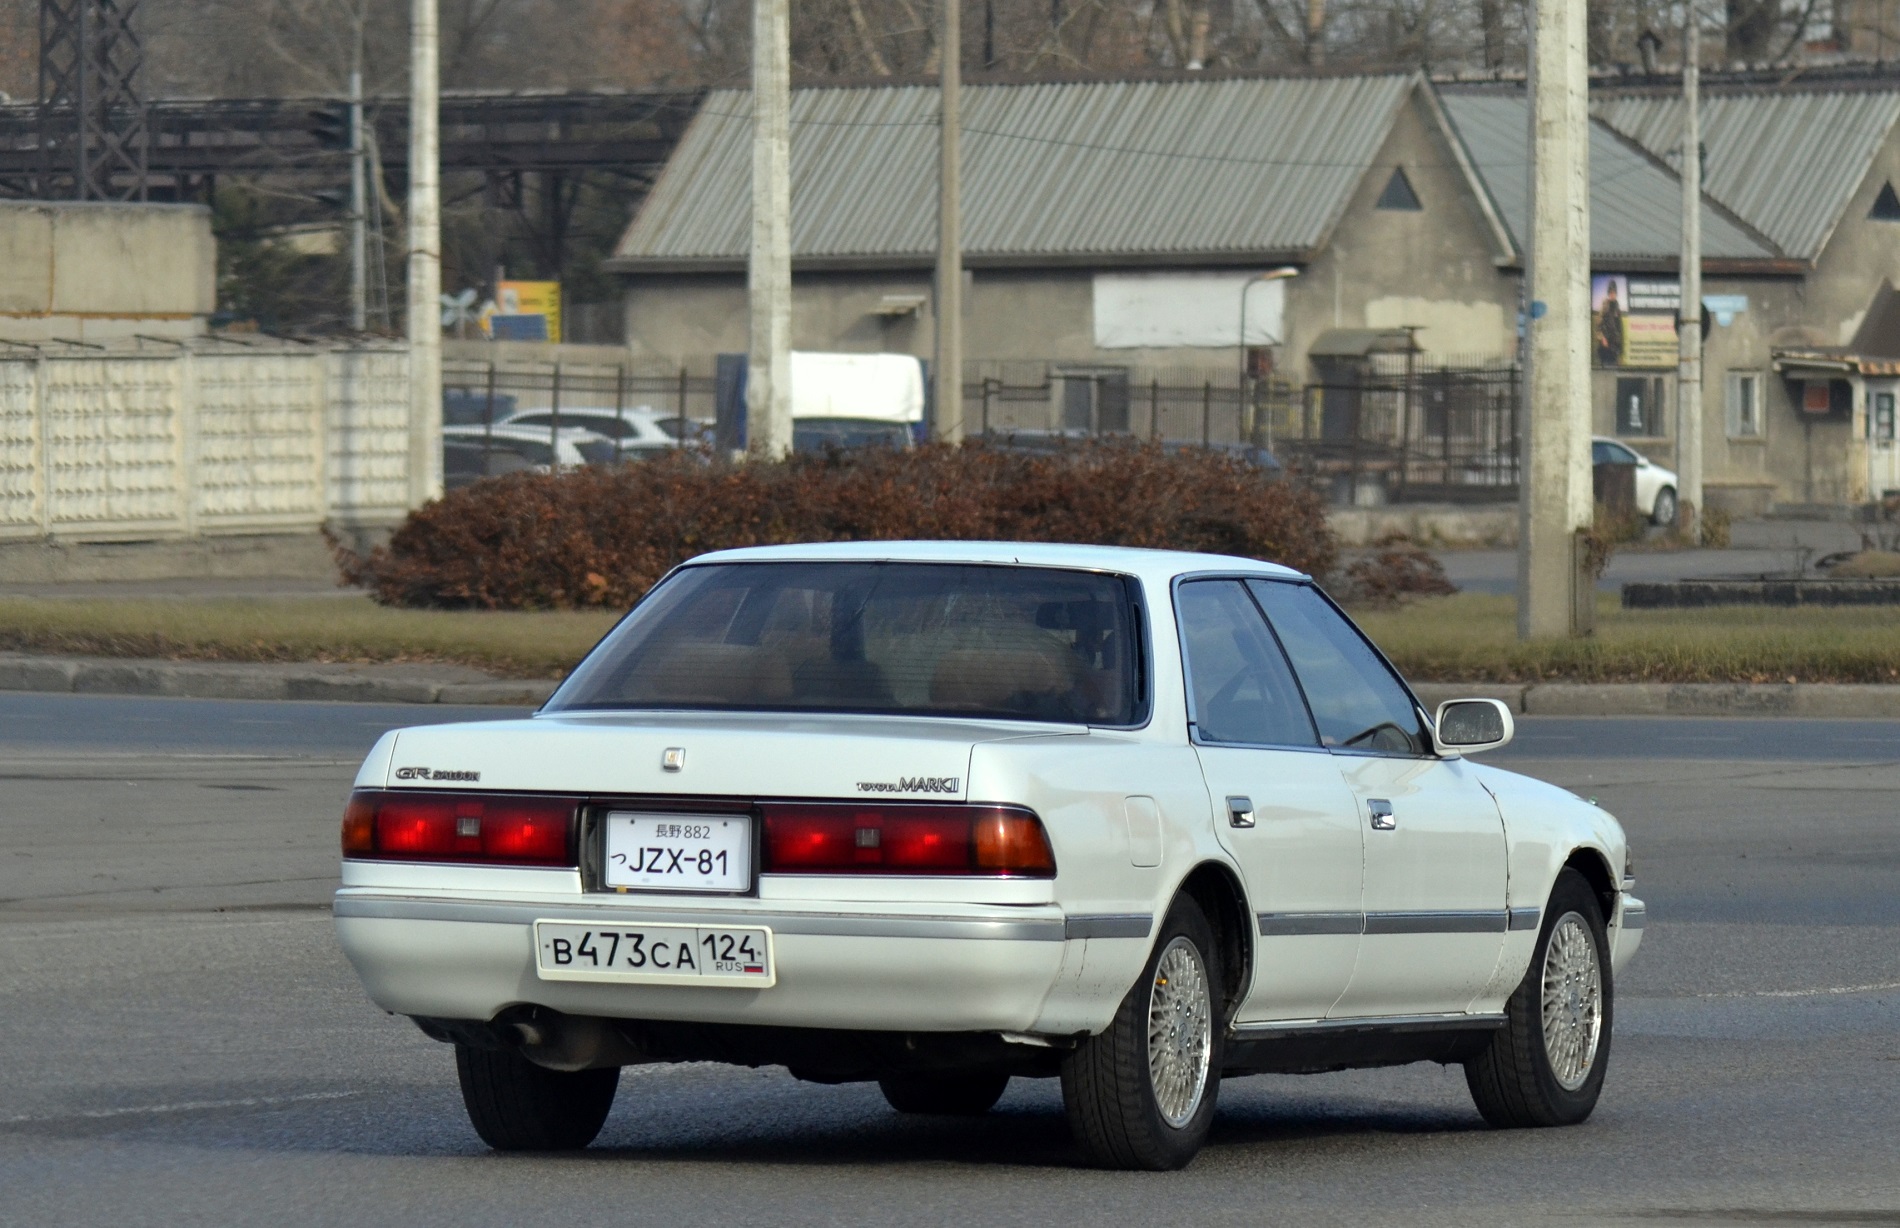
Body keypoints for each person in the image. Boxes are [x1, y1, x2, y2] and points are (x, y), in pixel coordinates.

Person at [1595, 281, 1624, 366]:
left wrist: (1620, 348)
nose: (1612, 294)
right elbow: (1598, 326)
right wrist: (1603, 338)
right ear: (1608, 293)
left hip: (1615, 346)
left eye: (1614, 292)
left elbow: (1620, 329)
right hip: (1605, 345)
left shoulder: (1617, 308)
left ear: (1616, 293)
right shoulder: (1604, 307)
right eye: (1610, 292)